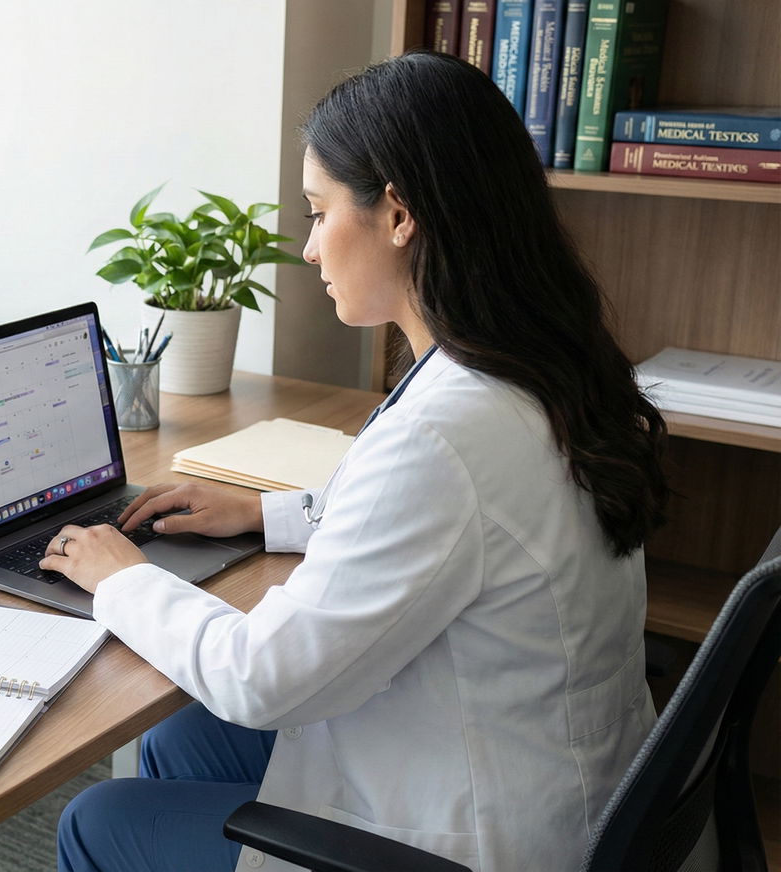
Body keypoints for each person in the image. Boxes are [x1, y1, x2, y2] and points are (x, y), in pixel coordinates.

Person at [47, 51, 670, 872]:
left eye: (318, 211)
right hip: (557, 778)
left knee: (98, 819)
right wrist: (262, 513)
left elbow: (261, 678)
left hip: (473, 837)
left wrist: (120, 578)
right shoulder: (542, 363)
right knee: (181, 740)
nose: (309, 248)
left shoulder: (445, 432)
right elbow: (457, 526)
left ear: (399, 214)